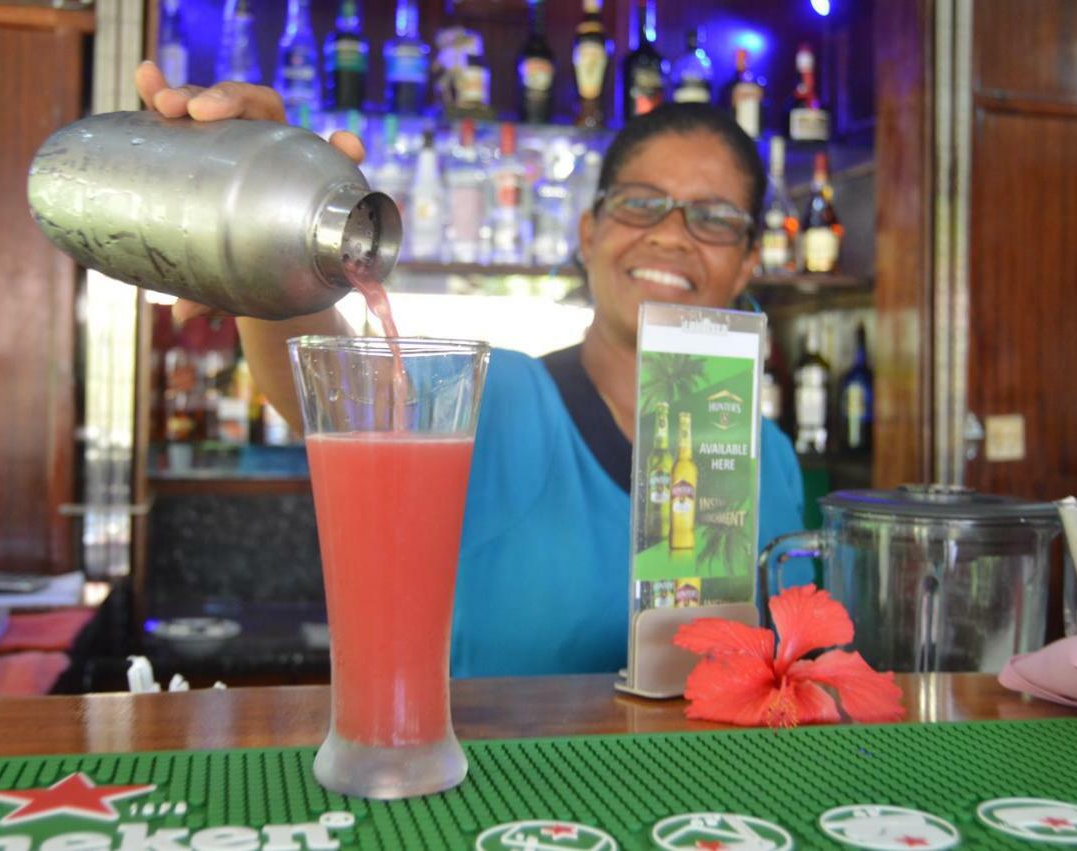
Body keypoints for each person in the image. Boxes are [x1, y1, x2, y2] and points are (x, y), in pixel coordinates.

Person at [134, 62, 804, 678]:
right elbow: (332, 394)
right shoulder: (495, 396)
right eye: (639, 203)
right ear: (588, 232)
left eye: (715, 218)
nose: (673, 233)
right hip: (495, 804)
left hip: (709, 808)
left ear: (749, 260)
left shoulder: (770, 457)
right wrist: (265, 231)